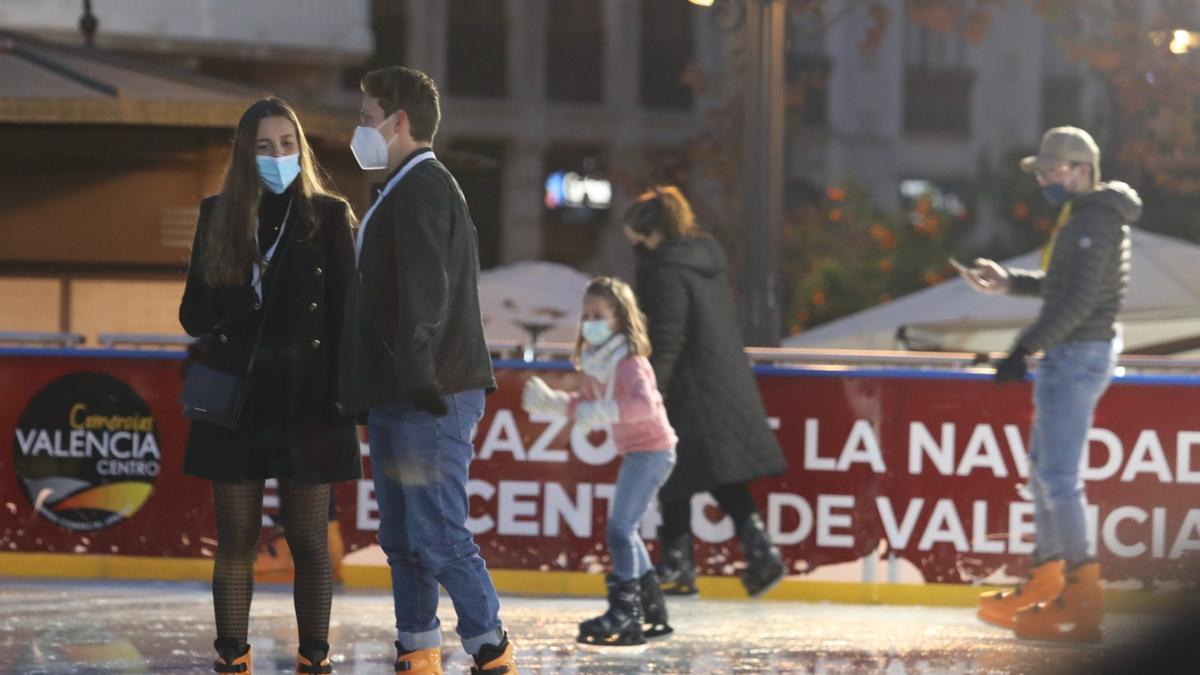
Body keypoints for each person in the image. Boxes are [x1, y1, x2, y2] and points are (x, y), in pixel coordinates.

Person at [337, 66, 514, 675]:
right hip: (403, 391)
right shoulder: (401, 189)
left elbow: (425, 292)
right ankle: (418, 646)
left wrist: (416, 375)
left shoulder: (423, 187)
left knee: (437, 532)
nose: (359, 130)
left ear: (398, 122)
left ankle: (490, 647)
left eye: (366, 118)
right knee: (405, 538)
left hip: (431, 391)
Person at [179, 97, 361, 673]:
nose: (277, 155)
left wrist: (349, 400)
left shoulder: (328, 214)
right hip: (239, 399)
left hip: (309, 400)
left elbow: (345, 316)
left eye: (287, 144)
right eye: (263, 145)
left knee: (309, 540)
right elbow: (191, 315)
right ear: (244, 151)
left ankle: (315, 659)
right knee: (237, 536)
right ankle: (232, 657)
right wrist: (236, 296)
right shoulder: (218, 215)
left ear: (300, 149)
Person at [961, 126, 1139, 642]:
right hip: (1072, 351)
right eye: (1041, 172)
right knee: (1043, 471)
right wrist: (1010, 282)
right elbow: (1063, 287)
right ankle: (1045, 582)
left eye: (1052, 171)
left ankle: (1082, 600)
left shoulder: (1095, 221)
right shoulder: (1083, 217)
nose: (1044, 180)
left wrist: (1023, 347)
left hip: (1078, 353)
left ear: (1083, 169)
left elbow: (1078, 303)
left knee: (1059, 476)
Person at [622, 186, 789, 598]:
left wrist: (650, 388)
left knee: (674, 471)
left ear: (651, 232)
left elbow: (667, 332)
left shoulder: (664, 269)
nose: (633, 246)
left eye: (634, 237)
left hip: (688, 387)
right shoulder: (702, 260)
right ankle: (758, 551)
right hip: (717, 381)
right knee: (713, 473)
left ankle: (680, 564)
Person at [522, 277, 678, 646]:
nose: (589, 322)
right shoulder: (597, 362)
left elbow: (646, 407)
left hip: (654, 450)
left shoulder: (629, 363)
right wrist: (555, 404)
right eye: (586, 314)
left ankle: (626, 612)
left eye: (599, 315)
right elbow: (587, 406)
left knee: (620, 530)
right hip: (639, 451)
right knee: (627, 529)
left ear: (619, 320)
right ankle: (651, 605)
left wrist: (600, 409)